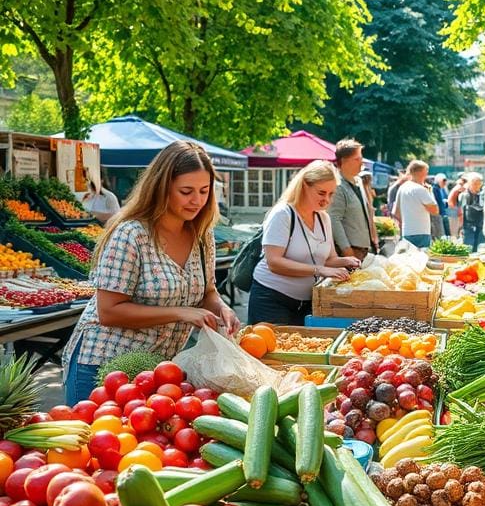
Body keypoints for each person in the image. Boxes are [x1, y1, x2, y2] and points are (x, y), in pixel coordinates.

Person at [62, 142, 241, 403]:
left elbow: (208, 291)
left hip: (157, 369)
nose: (197, 200)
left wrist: (221, 309)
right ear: (162, 188)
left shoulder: (202, 235)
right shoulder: (131, 234)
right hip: (102, 365)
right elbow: (109, 311)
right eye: (186, 191)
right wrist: (180, 312)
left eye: (204, 191)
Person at [247, 161, 361, 326]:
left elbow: (327, 260)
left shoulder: (324, 219)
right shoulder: (283, 214)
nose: (326, 200)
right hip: (272, 300)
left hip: (306, 303)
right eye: (322, 193)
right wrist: (320, 270)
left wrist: (346, 261)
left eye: (331, 194)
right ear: (305, 186)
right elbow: (274, 262)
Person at [329, 138, 379, 262]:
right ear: (343, 161)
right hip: (351, 252)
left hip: (363, 249)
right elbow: (334, 220)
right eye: (357, 159)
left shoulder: (358, 181)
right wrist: (347, 251)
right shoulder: (338, 186)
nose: (362, 162)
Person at [393, 160, 438, 248]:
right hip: (421, 232)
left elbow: (395, 212)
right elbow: (435, 210)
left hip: (407, 232)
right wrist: (430, 192)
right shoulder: (421, 189)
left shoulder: (402, 188)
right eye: (426, 172)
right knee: (421, 260)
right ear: (421, 173)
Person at [460, 174, 485, 252]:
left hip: (480, 225)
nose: (477, 186)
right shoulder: (465, 195)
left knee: (478, 249)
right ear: (470, 184)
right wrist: (460, 227)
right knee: (467, 248)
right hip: (468, 226)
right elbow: (461, 211)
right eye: (475, 184)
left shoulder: (482, 195)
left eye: (478, 184)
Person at [446, 175, 468, 240]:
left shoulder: (457, 187)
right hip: (453, 210)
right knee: (454, 232)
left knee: (454, 231)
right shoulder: (459, 188)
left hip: (452, 210)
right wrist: (458, 211)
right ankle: (454, 245)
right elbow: (452, 202)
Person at [430, 174, 450, 240]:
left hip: (443, 213)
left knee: (446, 234)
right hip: (438, 214)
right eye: (443, 181)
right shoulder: (435, 189)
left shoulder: (442, 189)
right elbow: (437, 202)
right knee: (439, 234)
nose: (444, 183)